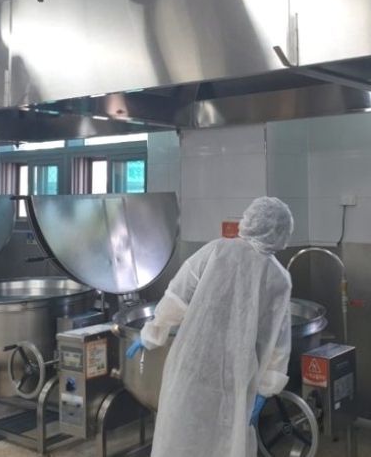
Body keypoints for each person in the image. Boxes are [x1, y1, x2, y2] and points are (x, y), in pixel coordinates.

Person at [126, 196, 294, 457]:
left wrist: (152, 333)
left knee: (181, 435)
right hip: (239, 374)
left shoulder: (216, 250)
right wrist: (266, 388)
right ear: (283, 234)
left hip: (193, 364)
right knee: (226, 441)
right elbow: (278, 341)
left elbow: (177, 297)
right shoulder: (279, 278)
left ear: (249, 221)